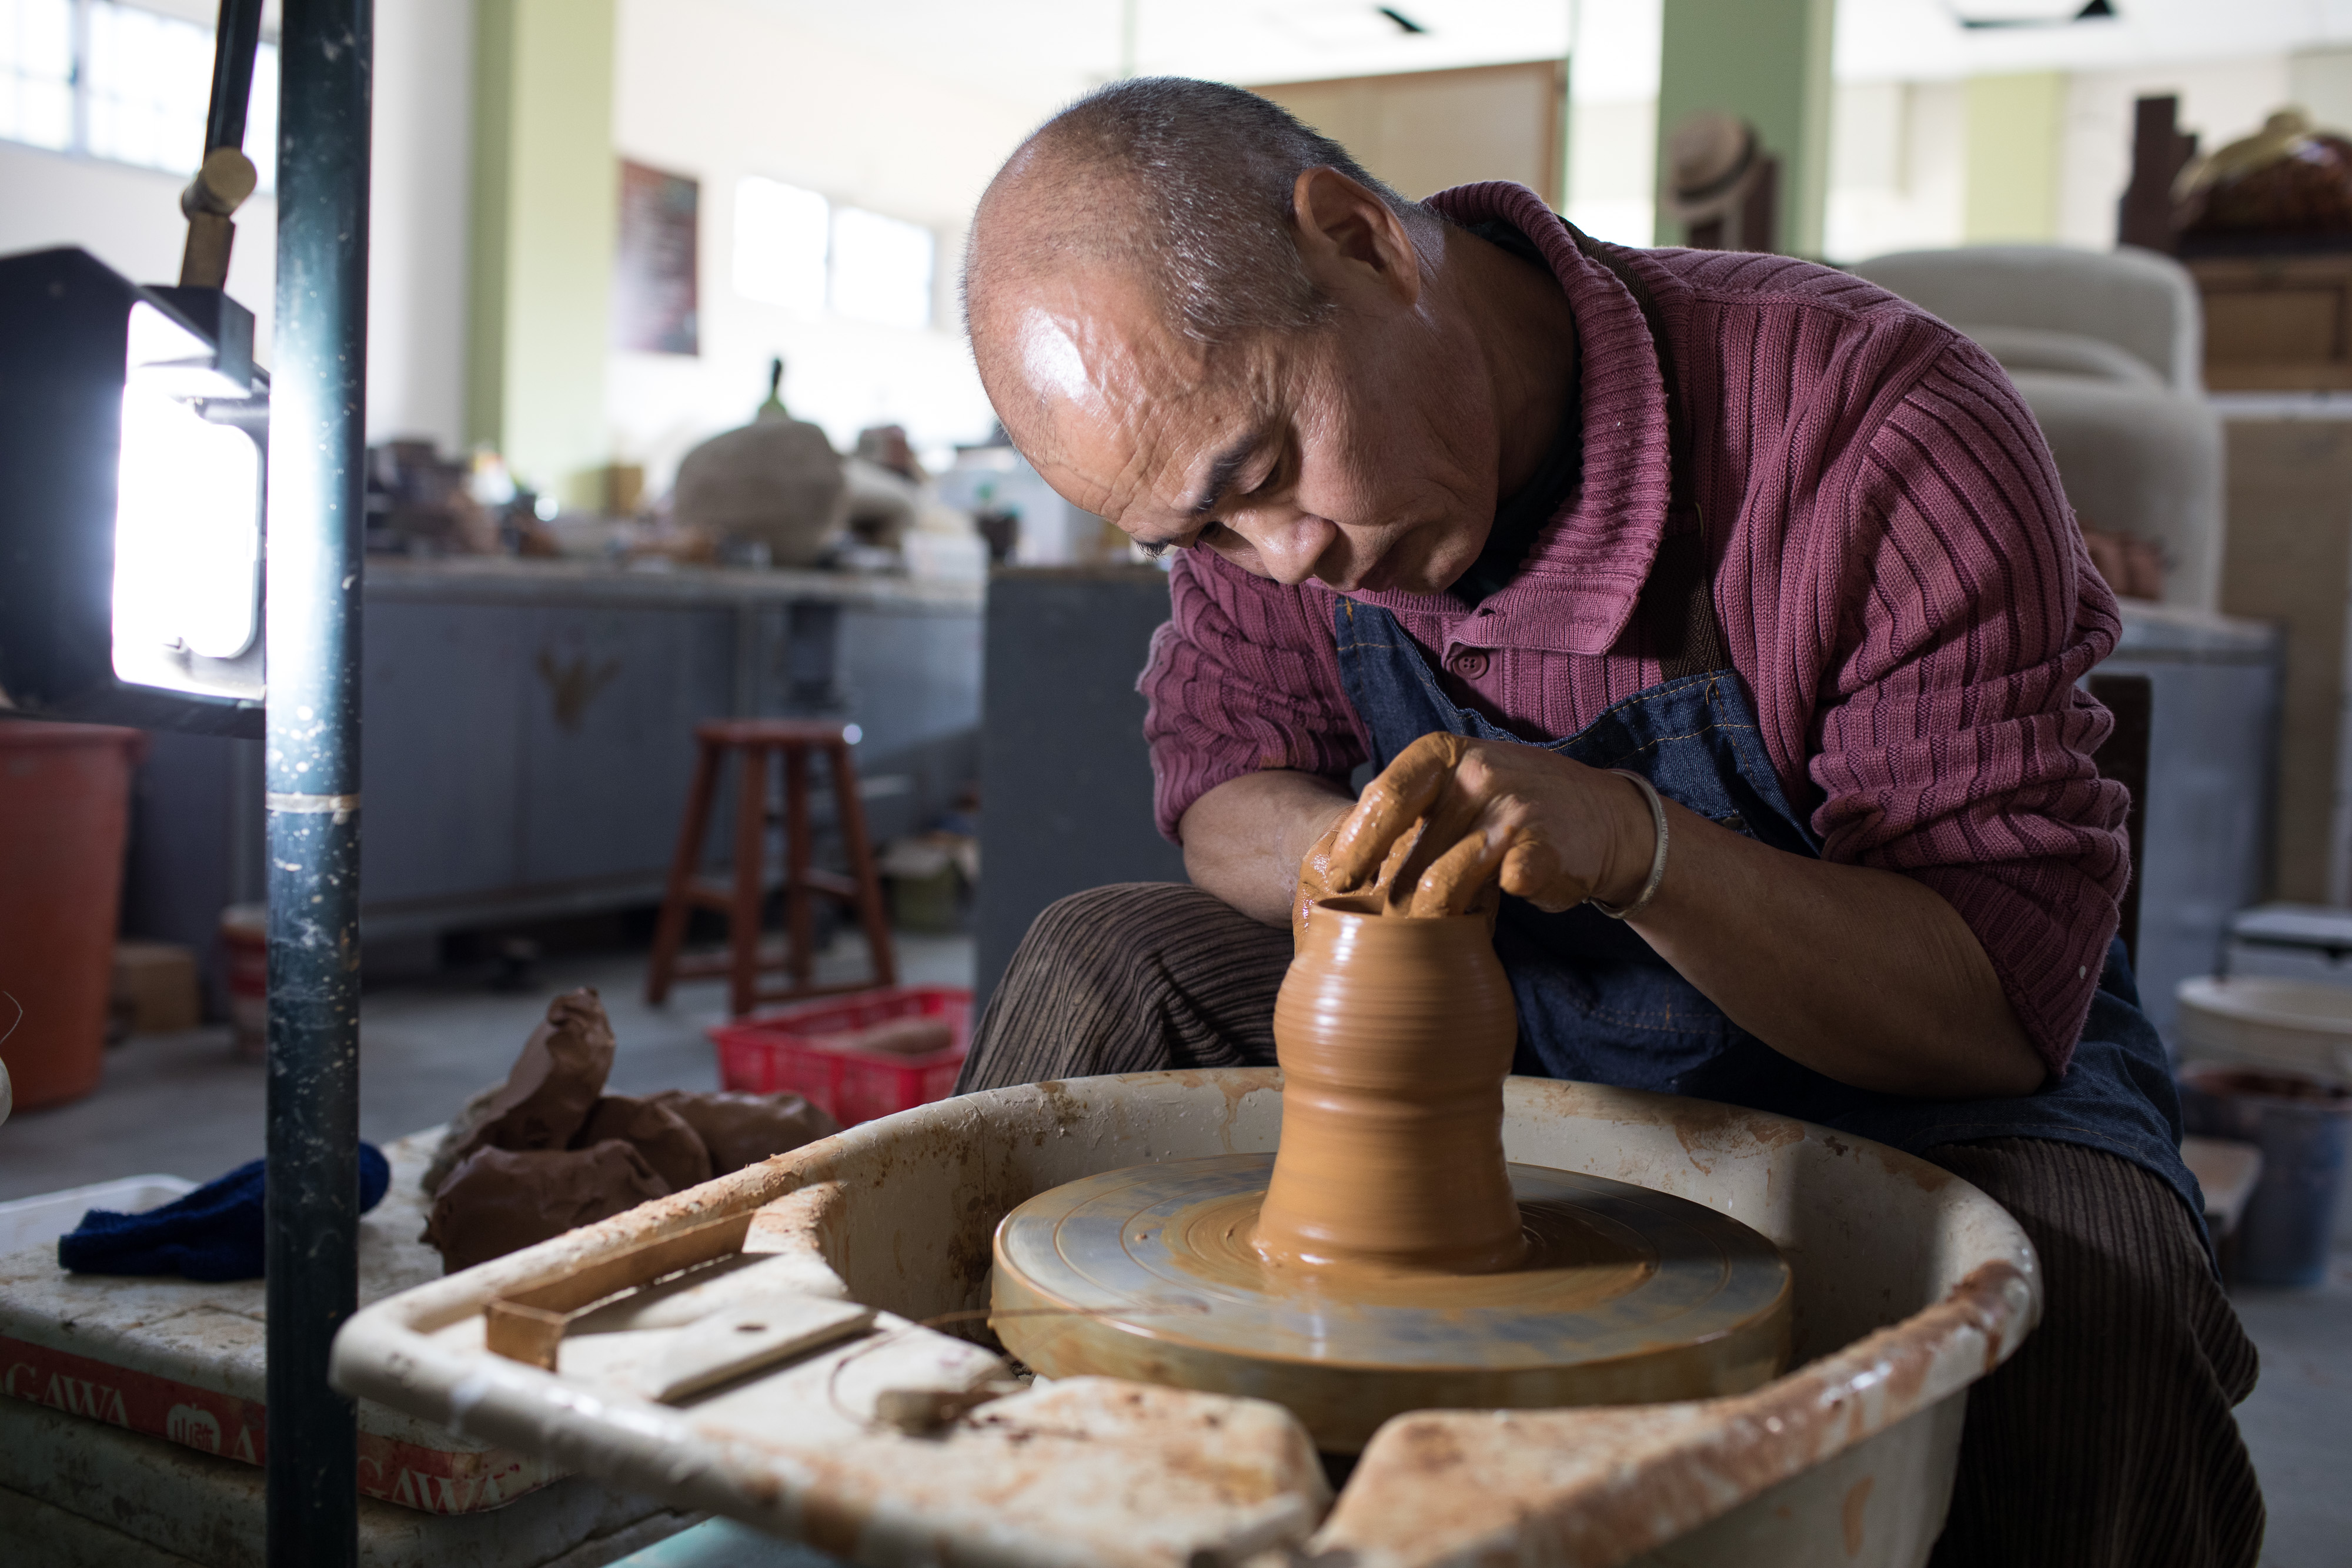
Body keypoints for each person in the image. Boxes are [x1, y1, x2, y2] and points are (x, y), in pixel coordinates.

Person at [955, 77, 2263, 1567]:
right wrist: (1353, 872)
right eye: (1197, 534)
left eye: (1259, 478)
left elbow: (1986, 1002)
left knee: (2088, 1295)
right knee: (1098, 961)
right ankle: (968, 1511)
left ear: (1361, 242)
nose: (1279, 555)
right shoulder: (1256, 510)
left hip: (1912, 1055)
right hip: (1522, 999)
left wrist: (1640, 847)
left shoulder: (1868, 426)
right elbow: (1220, 794)